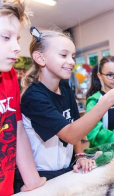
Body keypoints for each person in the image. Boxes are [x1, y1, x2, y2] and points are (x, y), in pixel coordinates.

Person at [18, 28, 114, 187]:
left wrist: (79, 156)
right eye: (63, 55)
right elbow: (70, 135)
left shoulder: (64, 87)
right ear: (40, 58)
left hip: (67, 169)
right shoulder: (34, 96)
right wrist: (108, 100)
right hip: (42, 175)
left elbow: (76, 124)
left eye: (73, 56)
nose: (71, 61)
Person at [0, 0, 46, 195]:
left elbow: (17, 130)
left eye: (17, 39)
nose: (17, 47)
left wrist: (32, 179)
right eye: (5, 37)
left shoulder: (10, 77)